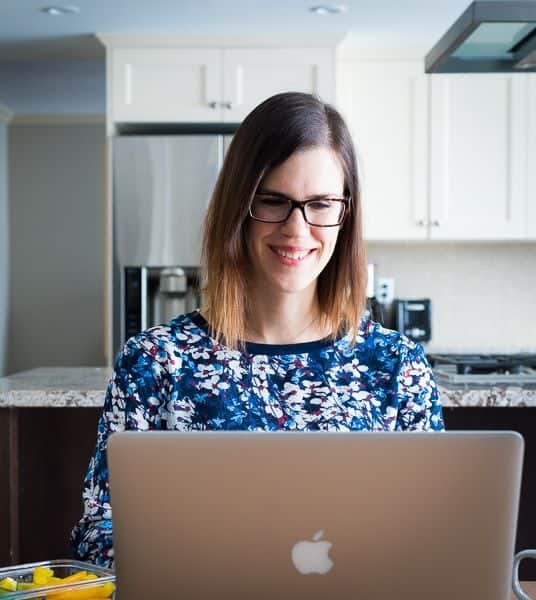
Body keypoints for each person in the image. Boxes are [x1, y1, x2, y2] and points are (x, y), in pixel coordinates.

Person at [70, 91, 444, 567]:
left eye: (321, 204)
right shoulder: (155, 361)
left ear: (345, 215)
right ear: (238, 207)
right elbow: (98, 529)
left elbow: (432, 529)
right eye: (273, 201)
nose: (296, 228)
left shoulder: (397, 367)